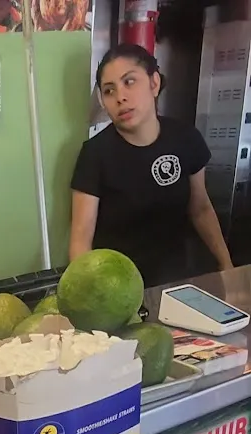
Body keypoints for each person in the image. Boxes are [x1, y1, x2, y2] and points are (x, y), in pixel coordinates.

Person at [70, 43, 232, 287]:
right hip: (116, 286)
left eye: (129, 82)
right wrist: (85, 290)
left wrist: (226, 264)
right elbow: (81, 238)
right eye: (109, 91)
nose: (120, 97)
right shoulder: (94, 154)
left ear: (154, 83)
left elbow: (200, 208)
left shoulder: (186, 138)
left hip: (177, 280)